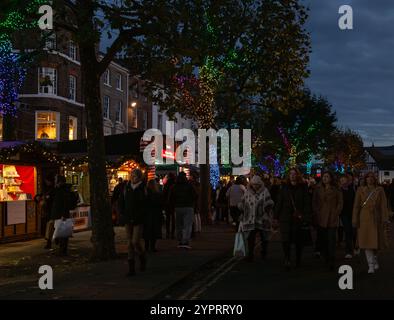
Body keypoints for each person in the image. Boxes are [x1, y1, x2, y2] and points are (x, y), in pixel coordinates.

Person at [352, 172, 391, 274]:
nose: (370, 179)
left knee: (376, 243)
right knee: (366, 242)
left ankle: (374, 258)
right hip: (364, 218)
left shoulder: (380, 190)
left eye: (372, 177)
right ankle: (371, 265)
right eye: (368, 177)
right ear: (365, 179)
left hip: (376, 218)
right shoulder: (360, 190)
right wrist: (355, 219)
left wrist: (385, 218)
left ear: (375, 179)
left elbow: (383, 205)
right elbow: (356, 206)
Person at [274, 168, 311, 270]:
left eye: (294, 174)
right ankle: (287, 259)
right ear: (288, 176)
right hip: (285, 217)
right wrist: (276, 216)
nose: (292, 176)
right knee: (286, 240)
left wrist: (306, 216)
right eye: (291, 174)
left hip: (298, 217)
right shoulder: (284, 187)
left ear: (298, 175)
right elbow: (279, 202)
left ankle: (298, 259)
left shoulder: (303, 187)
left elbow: (307, 202)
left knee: (298, 240)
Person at [312, 171, 343, 271]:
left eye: (327, 176)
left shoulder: (336, 189)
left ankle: (331, 260)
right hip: (321, 217)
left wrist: (336, 213)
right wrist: (317, 212)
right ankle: (325, 257)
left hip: (331, 217)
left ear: (331, 178)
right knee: (323, 240)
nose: (325, 178)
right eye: (324, 176)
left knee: (331, 240)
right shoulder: (318, 188)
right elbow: (314, 201)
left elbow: (340, 202)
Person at [239, 175, 274, 262]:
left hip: (263, 219)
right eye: (254, 184)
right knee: (250, 238)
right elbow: (242, 203)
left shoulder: (265, 191)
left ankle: (264, 253)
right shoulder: (247, 192)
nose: (255, 186)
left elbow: (270, 202)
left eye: (257, 184)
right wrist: (242, 209)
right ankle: (250, 254)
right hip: (250, 219)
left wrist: (266, 209)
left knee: (264, 237)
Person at [119, 169, 147, 276]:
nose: (133, 178)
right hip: (128, 218)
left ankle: (142, 256)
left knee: (135, 241)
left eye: (135, 176)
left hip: (138, 219)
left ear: (139, 177)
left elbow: (145, 204)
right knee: (129, 243)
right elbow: (121, 201)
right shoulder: (126, 188)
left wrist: (142, 215)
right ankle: (131, 269)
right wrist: (122, 213)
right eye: (132, 176)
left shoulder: (143, 188)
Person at [47, 175, 77, 256]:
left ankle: (62, 250)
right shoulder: (61, 190)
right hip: (59, 214)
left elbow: (64, 203)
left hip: (60, 214)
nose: (54, 181)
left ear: (59, 181)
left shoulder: (62, 190)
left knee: (62, 232)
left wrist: (63, 214)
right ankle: (62, 249)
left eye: (56, 180)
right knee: (61, 232)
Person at [169, 172, 197, 249]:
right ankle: (185, 240)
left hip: (178, 207)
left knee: (179, 225)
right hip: (188, 207)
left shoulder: (174, 187)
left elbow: (171, 198)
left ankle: (180, 240)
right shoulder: (189, 186)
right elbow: (195, 195)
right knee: (187, 225)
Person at [35, 174, 55, 246]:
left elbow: (50, 199)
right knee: (50, 226)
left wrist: (46, 198)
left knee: (50, 226)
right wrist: (38, 197)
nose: (46, 182)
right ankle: (51, 240)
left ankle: (50, 240)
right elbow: (41, 195)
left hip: (51, 210)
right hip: (48, 210)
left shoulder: (53, 189)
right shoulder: (47, 189)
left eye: (47, 181)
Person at [144, 179, 163, 252]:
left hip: (147, 214)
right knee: (154, 231)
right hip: (155, 214)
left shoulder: (145, 194)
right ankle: (152, 247)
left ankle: (146, 247)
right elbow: (160, 204)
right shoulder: (157, 194)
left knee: (147, 231)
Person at [339, 175, 356, 259]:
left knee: (353, 231)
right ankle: (348, 251)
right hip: (344, 214)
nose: (343, 182)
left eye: (344, 180)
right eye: (341, 180)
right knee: (347, 231)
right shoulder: (339, 191)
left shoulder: (351, 190)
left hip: (352, 213)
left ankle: (355, 247)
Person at [163, 173, 176, 239]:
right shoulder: (175, 184)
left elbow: (164, 194)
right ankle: (172, 233)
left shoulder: (166, 185)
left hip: (167, 204)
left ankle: (168, 233)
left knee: (168, 219)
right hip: (174, 204)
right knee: (173, 219)